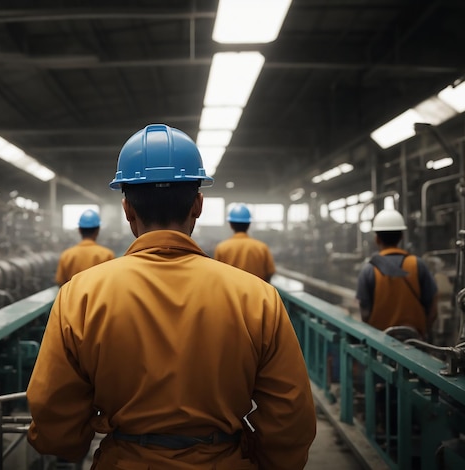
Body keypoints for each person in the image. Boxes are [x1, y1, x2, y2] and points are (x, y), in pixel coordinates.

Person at [27, 124, 315, 469]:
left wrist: (72, 442)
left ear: (127, 209)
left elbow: (55, 419)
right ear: (198, 204)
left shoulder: (80, 295)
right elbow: (291, 415)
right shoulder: (258, 298)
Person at [356, 208, 438, 339]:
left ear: (377, 239)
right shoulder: (418, 265)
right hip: (415, 343)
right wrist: (423, 333)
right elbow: (433, 310)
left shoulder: (369, 270)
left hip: (380, 345)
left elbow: (365, 313)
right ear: (401, 237)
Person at [214, 204, 277, 282]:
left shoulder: (222, 248)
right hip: (257, 292)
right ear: (249, 224)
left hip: (231, 293)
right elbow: (270, 272)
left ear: (231, 224)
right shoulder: (262, 247)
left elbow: (219, 274)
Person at [55, 209, 115, 286]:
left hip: (73, 297)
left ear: (79, 230)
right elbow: (111, 283)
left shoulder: (66, 255)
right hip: (98, 298)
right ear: (98, 230)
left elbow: (60, 282)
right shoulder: (107, 255)